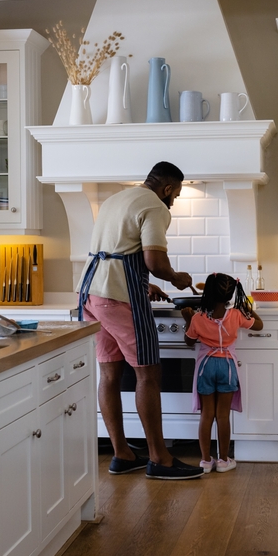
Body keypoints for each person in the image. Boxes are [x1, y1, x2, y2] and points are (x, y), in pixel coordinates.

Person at [77, 161, 205, 480]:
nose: (173, 200)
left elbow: (114, 251)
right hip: (119, 299)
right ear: (166, 188)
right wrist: (176, 277)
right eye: (174, 194)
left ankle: (122, 453)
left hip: (90, 294)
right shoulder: (156, 207)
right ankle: (160, 458)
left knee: (108, 375)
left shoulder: (116, 199)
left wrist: (143, 282)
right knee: (148, 375)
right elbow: (155, 260)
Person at [181, 272, 263, 473]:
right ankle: (224, 460)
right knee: (223, 415)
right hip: (227, 367)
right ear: (230, 295)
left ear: (207, 292)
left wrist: (188, 319)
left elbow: (189, 341)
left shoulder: (198, 318)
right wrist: (248, 308)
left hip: (205, 368)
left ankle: (205, 461)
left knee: (206, 415)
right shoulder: (236, 315)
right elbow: (259, 326)